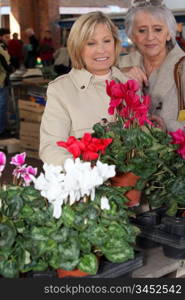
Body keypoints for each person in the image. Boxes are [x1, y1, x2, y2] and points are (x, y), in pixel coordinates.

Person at [40, 11, 128, 166]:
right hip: (87, 186)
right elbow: (50, 148)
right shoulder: (61, 90)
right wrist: (84, 172)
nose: (101, 50)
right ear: (78, 47)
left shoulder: (130, 85)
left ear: (115, 44)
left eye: (106, 41)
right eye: (91, 43)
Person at [119, 0, 185, 132]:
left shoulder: (182, 67)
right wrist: (121, 76)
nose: (150, 37)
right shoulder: (120, 66)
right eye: (142, 30)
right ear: (132, 35)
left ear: (168, 34)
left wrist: (167, 128)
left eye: (158, 29)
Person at [0, 28, 12, 138]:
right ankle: (2, 131)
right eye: (6, 37)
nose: (9, 39)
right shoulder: (1, 49)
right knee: (2, 106)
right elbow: (7, 67)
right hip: (2, 81)